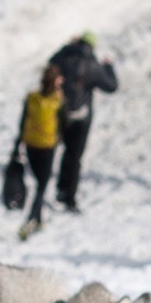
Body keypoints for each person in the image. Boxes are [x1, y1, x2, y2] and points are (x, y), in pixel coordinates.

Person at [48, 33, 118, 212]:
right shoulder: (92, 65)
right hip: (81, 117)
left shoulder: (63, 57)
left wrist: (66, 46)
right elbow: (111, 86)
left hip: (59, 112)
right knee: (74, 157)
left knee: (51, 150)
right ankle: (67, 196)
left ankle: (43, 190)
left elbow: (50, 63)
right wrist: (109, 67)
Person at [15, 68, 63, 237]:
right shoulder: (57, 100)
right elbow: (65, 122)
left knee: (38, 182)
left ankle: (39, 218)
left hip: (30, 143)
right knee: (42, 185)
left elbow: (22, 121)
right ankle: (32, 218)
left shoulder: (32, 98)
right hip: (47, 146)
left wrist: (17, 143)